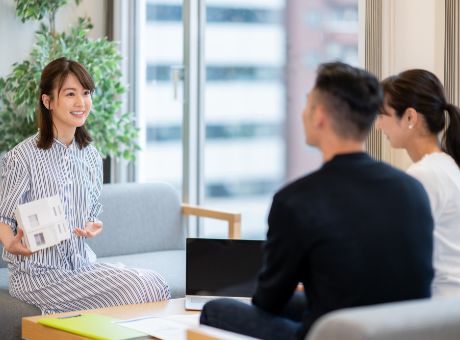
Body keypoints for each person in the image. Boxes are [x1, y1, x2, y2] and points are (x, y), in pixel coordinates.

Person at [200, 62, 434, 340]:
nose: (303, 114)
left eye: (307, 104)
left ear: (320, 116)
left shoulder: (295, 200)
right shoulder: (412, 189)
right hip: (396, 331)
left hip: (336, 335)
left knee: (215, 309)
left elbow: (268, 301)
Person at [0, 57, 170, 315]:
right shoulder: (22, 157)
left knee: (156, 282)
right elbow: (3, 216)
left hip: (81, 265)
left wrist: (92, 225)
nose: (81, 102)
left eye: (86, 93)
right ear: (48, 101)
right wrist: (10, 243)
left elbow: (90, 212)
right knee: (138, 287)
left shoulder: (90, 155)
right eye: (70, 94)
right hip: (39, 276)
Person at [377, 69, 460, 298]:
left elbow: (399, 257)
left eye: (382, 114)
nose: (378, 125)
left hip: (438, 310)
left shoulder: (424, 175)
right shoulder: (446, 165)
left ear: (410, 117)